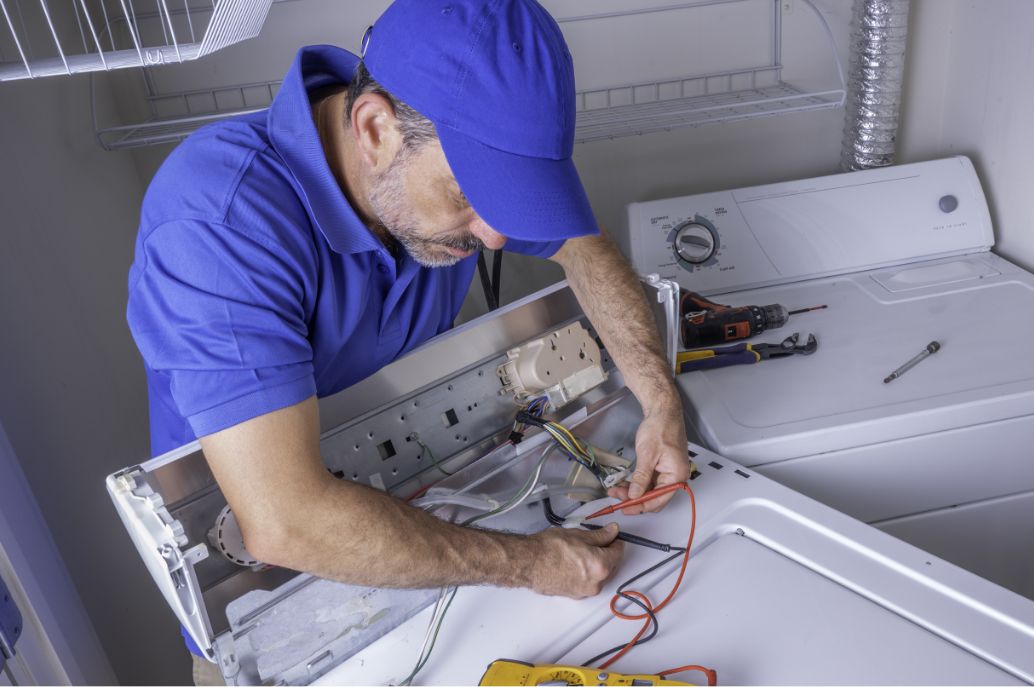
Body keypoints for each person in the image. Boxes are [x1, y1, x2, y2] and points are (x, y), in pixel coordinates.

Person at [126, 0, 689, 682]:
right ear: (375, 129)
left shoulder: (430, 169)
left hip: (431, 538)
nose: (496, 236)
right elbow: (284, 520)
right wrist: (533, 562)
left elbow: (582, 246)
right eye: (469, 196)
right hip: (275, 609)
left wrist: (659, 401)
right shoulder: (218, 225)